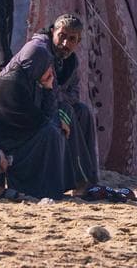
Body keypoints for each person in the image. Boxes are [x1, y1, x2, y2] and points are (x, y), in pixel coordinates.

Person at [0, 36, 68, 200]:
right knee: (49, 134)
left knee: (51, 132)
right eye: (45, 65)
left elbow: (40, 119)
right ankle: (42, 189)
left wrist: (46, 87)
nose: (49, 70)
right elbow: (41, 120)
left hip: (12, 138)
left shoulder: (27, 80)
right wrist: (47, 89)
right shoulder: (14, 84)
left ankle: (48, 188)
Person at [42, 14, 99, 190]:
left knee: (83, 111)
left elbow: (74, 93)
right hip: (36, 106)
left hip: (55, 103)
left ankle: (89, 179)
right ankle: (79, 178)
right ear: (53, 32)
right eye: (62, 36)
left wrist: (58, 94)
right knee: (68, 111)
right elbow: (43, 88)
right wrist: (58, 96)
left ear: (78, 41)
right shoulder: (41, 51)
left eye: (72, 39)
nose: (66, 43)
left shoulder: (71, 62)